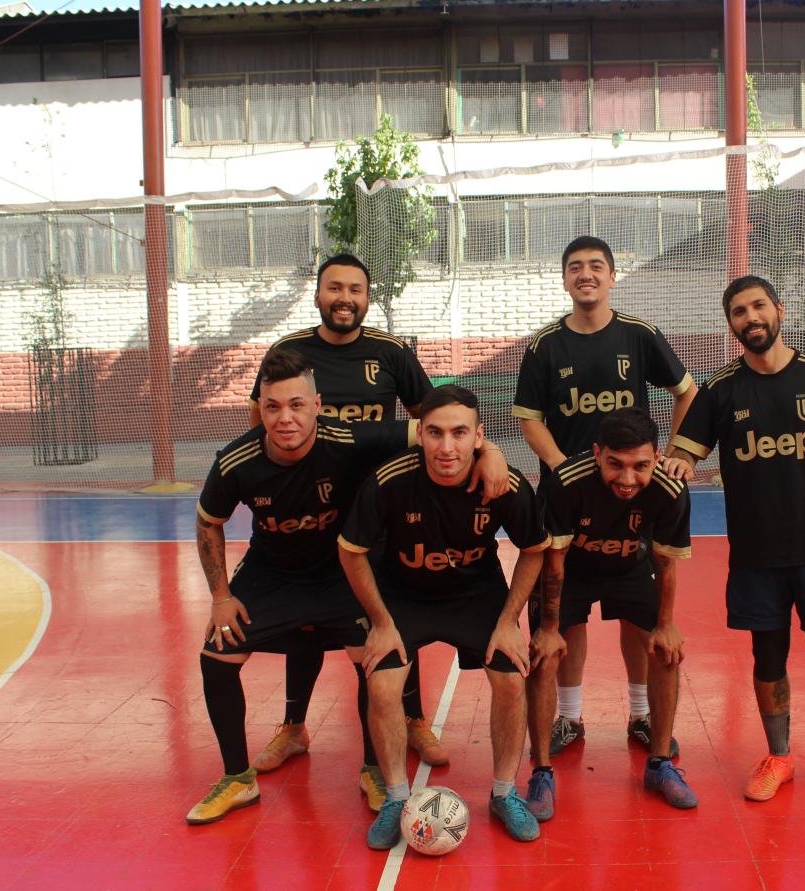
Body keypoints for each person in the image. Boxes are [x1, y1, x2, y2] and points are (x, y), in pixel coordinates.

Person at [664, 274, 805, 806]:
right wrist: (679, 461)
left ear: (779, 310)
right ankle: (779, 756)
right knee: (768, 658)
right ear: (731, 324)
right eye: (739, 312)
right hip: (756, 554)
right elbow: (686, 451)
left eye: (758, 306)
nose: (751, 317)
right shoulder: (720, 390)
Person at [246, 254, 447, 812]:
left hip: (381, 513)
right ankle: (293, 727)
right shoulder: (290, 352)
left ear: (366, 297)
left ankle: (413, 719)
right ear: (317, 295)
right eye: (334, 288)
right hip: (312, 512)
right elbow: (260, 421)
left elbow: (432, 417)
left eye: (355, 289)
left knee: (392, 619)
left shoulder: (390, 353)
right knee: (304, 624)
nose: (345, 298)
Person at [187, 346, 416, 825]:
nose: (285, 418)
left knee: (376, 657)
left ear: (317, 405)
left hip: (340, 570)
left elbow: (427, 429)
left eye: (296, 405)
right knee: (216, 656)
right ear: (261, 409)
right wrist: (221, 597)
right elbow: (209, 522)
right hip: (272, 571)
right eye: (273, 407)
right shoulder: (236, 461)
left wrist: (490, 452)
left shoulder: (347, 439)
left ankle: (374, 769)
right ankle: (238, 779)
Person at [338, 385, 551, 848]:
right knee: (382, 684)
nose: (447, 447)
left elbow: (535, 549)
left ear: (479, 436)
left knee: (511, 679)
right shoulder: (389, 480)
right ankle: (396, 799)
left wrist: (507, 622)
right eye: (435, 433)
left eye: (459, 433)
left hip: (476, 593)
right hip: (403, 595)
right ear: (420, 435)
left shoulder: (506, 484)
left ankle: (504, 793)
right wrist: (381, 622)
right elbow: (351, 551)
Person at [512, 235, 697, 758]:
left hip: (631, 498)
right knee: (565, 615)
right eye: (575, 266)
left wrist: (671, 455)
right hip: (570, 504)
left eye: (596, 266)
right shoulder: (545, 345)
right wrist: (562, 468)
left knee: (637, 614)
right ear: (564, 279)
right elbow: (528, 418)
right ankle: (569, 719)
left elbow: (687, 391)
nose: (586, 274)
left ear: (613, 277)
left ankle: (641, 715)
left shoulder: (639, 335)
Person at [525, 407, 697, 820]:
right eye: (615, 464)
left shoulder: (670, 489)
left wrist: (666, 625)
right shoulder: (565, 483)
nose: (627, 478)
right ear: (597, 453)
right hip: (571, 571)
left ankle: (659, 764)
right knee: (543, 655)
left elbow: (666, 563)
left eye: (640, 466)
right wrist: (549, 628)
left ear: (657, 457)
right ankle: (542, 772)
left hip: (631, 568)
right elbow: (554, 561)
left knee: (666, 650)